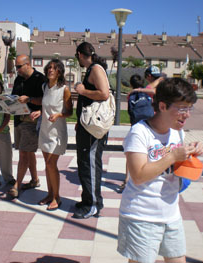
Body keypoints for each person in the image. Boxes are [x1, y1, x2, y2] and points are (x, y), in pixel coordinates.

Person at [118, 78, 203, 263]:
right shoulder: (139, 133)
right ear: (163, 106)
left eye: (190, 108)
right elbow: (138, 176)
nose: (187, 114)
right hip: (141, 216)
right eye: (182, 108)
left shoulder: (177, 132)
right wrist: (172, 157)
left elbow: (174, 167)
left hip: (171, 215)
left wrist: (191, 152)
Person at [73, 42, 110, 219]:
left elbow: (104, 94)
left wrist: (83, 90)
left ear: (80, 54)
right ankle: (88, 199)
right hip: (86, 126)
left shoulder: (96, 69)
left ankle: (93, 205)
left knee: (90, 165)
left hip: (93, 130)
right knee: (84, 164)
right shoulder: (91, 69)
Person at [31, 59, 73, 211]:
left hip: (57, 133)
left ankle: (57, 197)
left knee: (51, 164)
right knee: (48, 166)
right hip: (44, 131)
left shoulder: (64, 90)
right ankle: (50, 194)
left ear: (59, 72)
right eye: (49, 68)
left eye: (54, 68)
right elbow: (46, 106)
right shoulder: (44, 87)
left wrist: (59, 115)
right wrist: (39, 112)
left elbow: (70, 112)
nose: (50, 70)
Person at [8, 54, 45, 198]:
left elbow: (46, 100)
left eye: (19, 67)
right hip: (19, 121)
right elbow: (13, 97)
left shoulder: (39, 79)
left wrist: (31, 101)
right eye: (16, 67)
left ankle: (17, 185)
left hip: (31, 122)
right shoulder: (18, 79)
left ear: (28, 64)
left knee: (23, 153)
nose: (17, 70)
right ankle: (35, 180)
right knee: (28, 153)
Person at [116, 74, 145, 193]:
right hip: (149, 126)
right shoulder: (148, 94)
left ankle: (127, 180)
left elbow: (130, 112)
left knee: (130, 153)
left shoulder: (131, 95)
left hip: (135, 127)